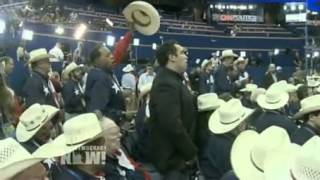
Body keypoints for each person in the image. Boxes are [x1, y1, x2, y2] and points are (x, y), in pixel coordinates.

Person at [148, 42, 198, 179]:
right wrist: (190, 152)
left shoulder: (173, 80)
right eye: (182, 52)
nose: (186, 56)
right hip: (174, 161)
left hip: (179, 157)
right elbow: (172, 124)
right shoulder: (166, 83)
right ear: (171, 57)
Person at [200, 99, 253, 179]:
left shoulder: (219, 138)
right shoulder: (226, 147)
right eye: (245, 121)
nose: (246, 124)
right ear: (240, 125)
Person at [85, 45, 134, 124]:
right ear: (97, 60)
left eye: (111, 54)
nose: (112, 56)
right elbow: (98, 112)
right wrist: (122, 114)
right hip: (107, 130)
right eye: (107, 55)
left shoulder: (106, 74)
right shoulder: (100, 78)